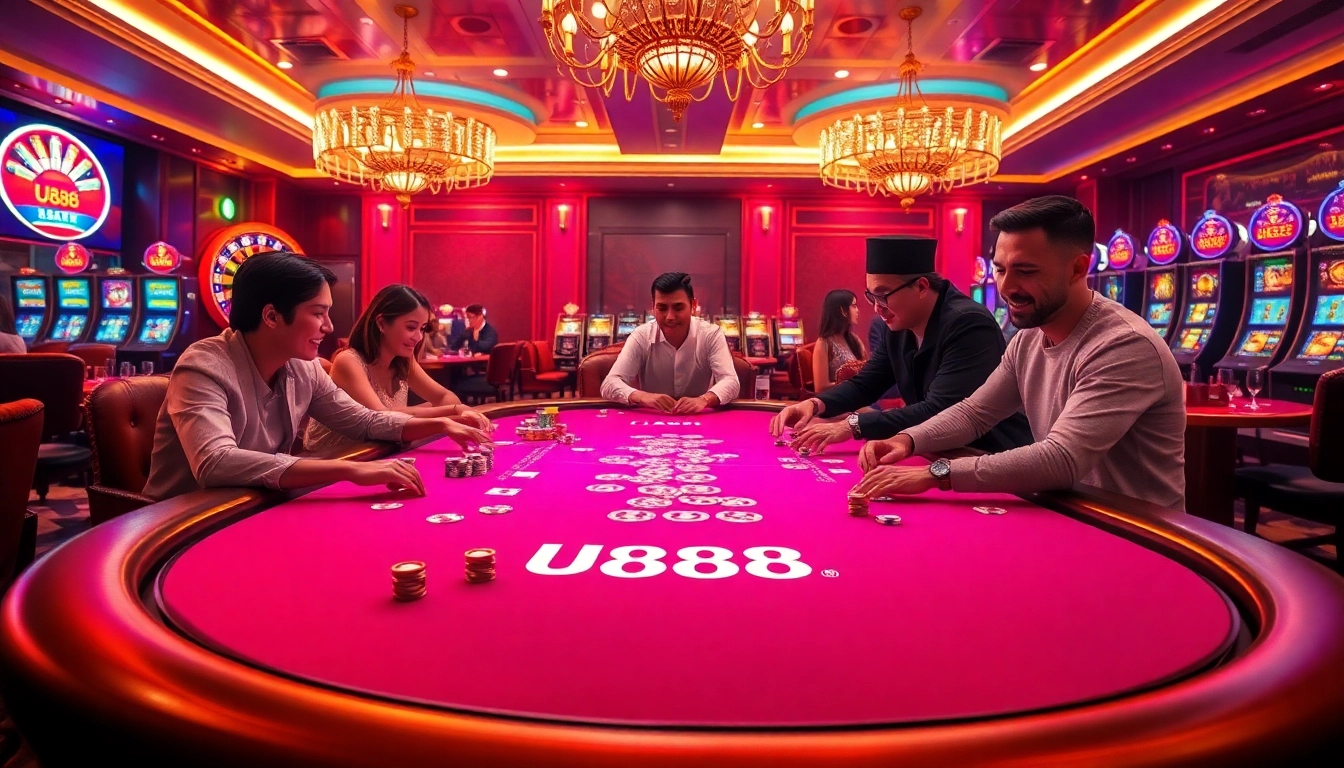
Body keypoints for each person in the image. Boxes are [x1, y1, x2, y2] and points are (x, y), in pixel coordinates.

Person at [855, 196, 1187, 510]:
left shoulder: (1124, 345)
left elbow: (1062, 459)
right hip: (1067, 509)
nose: (1006, 286)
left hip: (1136, 531)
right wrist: (907, 440)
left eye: (1026, 271)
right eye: (1000, 269)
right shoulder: (1027, 339)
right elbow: (975, 413)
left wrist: (937, 473)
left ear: (1077, 269)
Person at [143, 252, 492, 501]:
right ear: (271, 316)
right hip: (181, 525)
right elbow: (216, 462)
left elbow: (365, 421)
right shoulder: (203, 366)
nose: (329, 327)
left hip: (255, 503)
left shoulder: (303, 366)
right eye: (318, 313)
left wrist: (442, 424)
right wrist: (348, 470)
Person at [771, 236, 1031, 455]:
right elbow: (867, 384)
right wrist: (816, 404)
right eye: (870, 295)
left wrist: (853, 425)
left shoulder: (968, 324)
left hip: (987, 453)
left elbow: (940, 409)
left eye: (883, 295)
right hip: (932, 448)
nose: (876, 307)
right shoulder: (896, 325)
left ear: (921, 286)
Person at [304, 284, 492, 453]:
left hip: (382, 451)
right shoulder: (349, 361)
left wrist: (451, 410)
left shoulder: (403, 361)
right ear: (381, 323)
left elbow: (445, 398)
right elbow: (382, 417)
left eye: (422, 328)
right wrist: (452, 412)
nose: (418, 337)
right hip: (337, 458)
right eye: (411, 327)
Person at [600, 271, 739, 414]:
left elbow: (731, 381)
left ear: (693, 305)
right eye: (662, 308)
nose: (670, 317)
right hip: (652, 419)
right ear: (653, 307)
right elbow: (609, 384)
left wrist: (703, 400)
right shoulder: (641, 335)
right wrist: (643, 396)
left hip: (699, 418)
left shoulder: (711, 335)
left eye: (678, 308)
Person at [811, 289, 867, 394]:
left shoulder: (854, 339)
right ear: (842, 310)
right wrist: (851, 383)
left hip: (858, 396)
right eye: (854, 306)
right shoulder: (824, 343)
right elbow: (820, 388)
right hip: (839, 401)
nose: (857, 310)